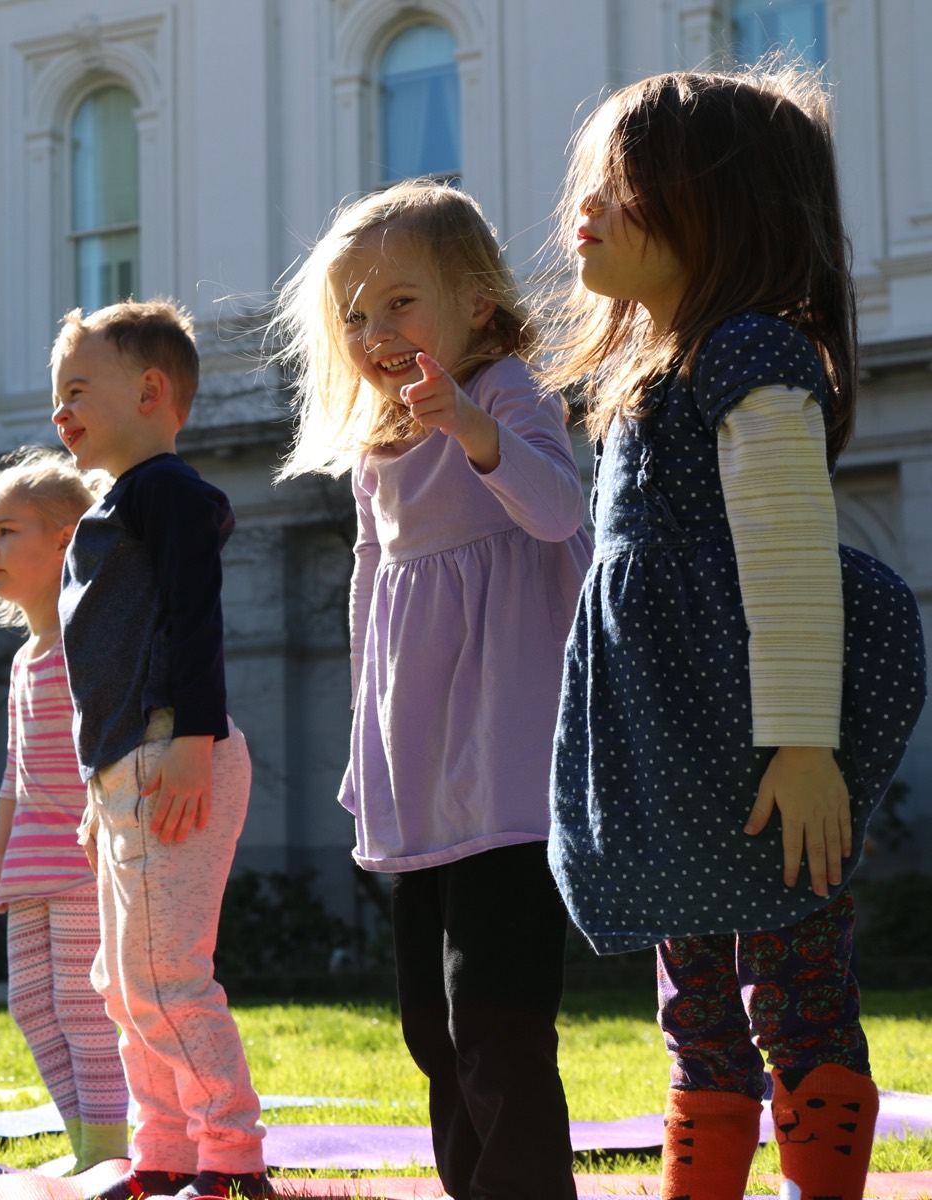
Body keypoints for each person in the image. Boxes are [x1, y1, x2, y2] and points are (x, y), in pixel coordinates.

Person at [543, 66, 926, 1200]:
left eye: (625, 184)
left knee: (797, 981)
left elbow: (792, 560)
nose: (588, 206)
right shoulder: (644, 374)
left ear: (721, 205)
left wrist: (805, 750)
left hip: (753, 750)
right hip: (677, 749)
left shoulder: (750, 354)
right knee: (694, 995)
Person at [270, 180, 590, 1198]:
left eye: (399, 302)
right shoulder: (379, 444)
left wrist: (470, 428)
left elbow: (554, 513)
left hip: (503, 771)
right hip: (420, 768)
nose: (374, 331)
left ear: (480, 304)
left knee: (496, 1015)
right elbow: (374, 592)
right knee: (431, 1025)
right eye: (354, 314)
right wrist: (369, 753)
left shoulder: (505, 395)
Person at [51, 299, 269, 1200]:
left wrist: (189, 733)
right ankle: (164, 1153)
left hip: (170, 751)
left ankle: (230, 1161)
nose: (58, 411)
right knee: (121, 981)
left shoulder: (167, 494)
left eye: (75, 389)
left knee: (165, 976)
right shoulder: (108, 509)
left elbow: (192, 620)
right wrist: (98, 796)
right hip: (125, 771)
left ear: (149, 391)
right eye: (53, 396)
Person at [0, 448, 129, 1174]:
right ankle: (81, 1136)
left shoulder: (88, 641)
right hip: (29, 863)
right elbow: (13, 773)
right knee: (31, 1003)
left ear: (64, 540)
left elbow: (112, 744)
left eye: (6, 532)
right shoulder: (25, 658)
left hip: (85, 861)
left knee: (85, 1009)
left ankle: (110, 1148)